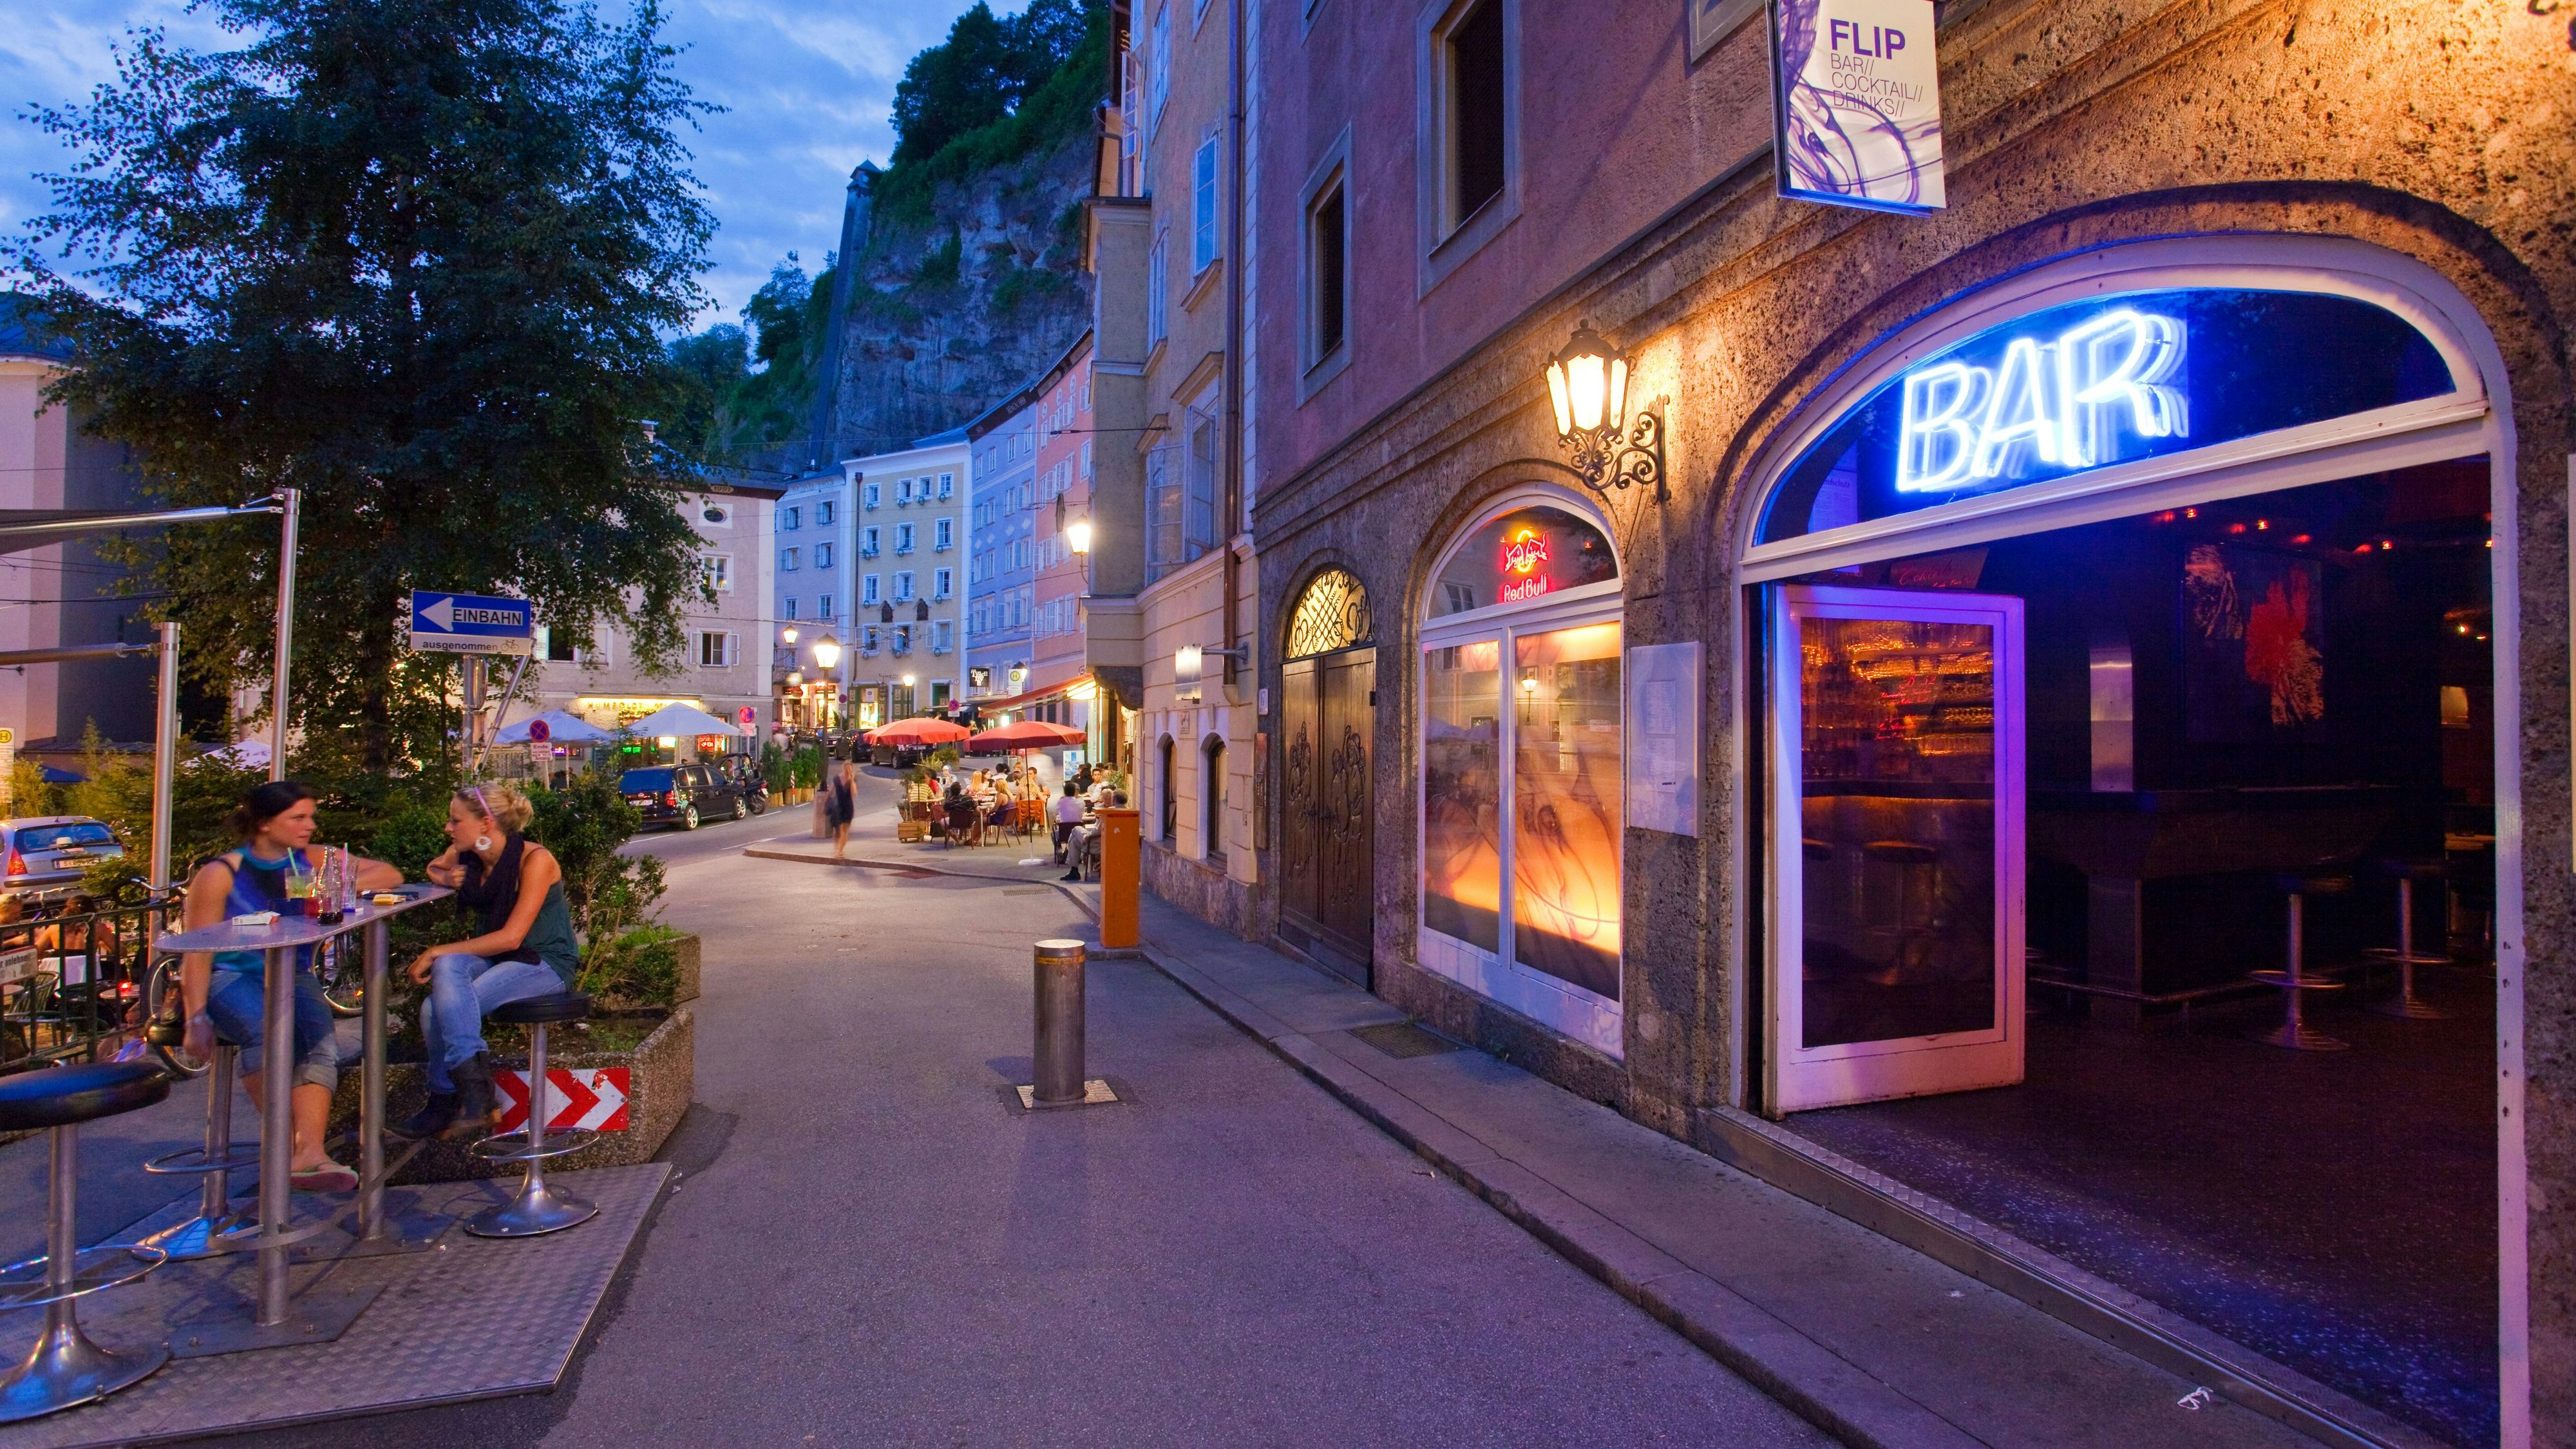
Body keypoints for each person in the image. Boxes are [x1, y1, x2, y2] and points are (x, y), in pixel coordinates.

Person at [180, 781, 404, 1191]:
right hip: (231, 974)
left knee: (320, 1038)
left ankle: (310, 1151)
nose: (310, 825)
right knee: (265, 1030)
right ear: (265, 824)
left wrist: (331, 884)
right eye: (298, 818)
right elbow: (197, 952)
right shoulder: (221, 873)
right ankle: (282, 1147)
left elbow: (391, 874)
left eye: (311, 816)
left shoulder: (310, 860)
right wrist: (194, 1017)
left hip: (291, 972)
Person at [394, 784, 583, 1141]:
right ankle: (473, 1097)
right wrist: (445, 877)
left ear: (485, 823)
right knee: (449, 967)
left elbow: (512, 937)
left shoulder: (535, 861)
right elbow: (434, 867)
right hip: (500, 960)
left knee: (436, 1009)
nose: (448, 828)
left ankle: (452, 1100)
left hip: (544, 963)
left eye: (455, 820)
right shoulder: (470, 854)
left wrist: (434, 951)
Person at [824, 759, 857, 859]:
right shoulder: (837, 779)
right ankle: (839, 850)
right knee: (841, 830)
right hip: (840, 807)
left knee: (844, 830)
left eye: (849, 770)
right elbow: (830, 791)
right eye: (847, 769)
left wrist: (851, 779)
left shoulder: (850, 780)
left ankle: (840, 850)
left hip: (847, 807)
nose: (847, 771)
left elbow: (854, 793)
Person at [1052, 782, 1086, 864]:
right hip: (1078, 832)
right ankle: (1072, 853)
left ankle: (1059, 850)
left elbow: (1056, 812)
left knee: (1053, 835)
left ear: (1065, 792)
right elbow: (1082, 812)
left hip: (1063, 832)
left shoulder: (1061, 802)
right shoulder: (1081, 802)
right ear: (1075, 791)